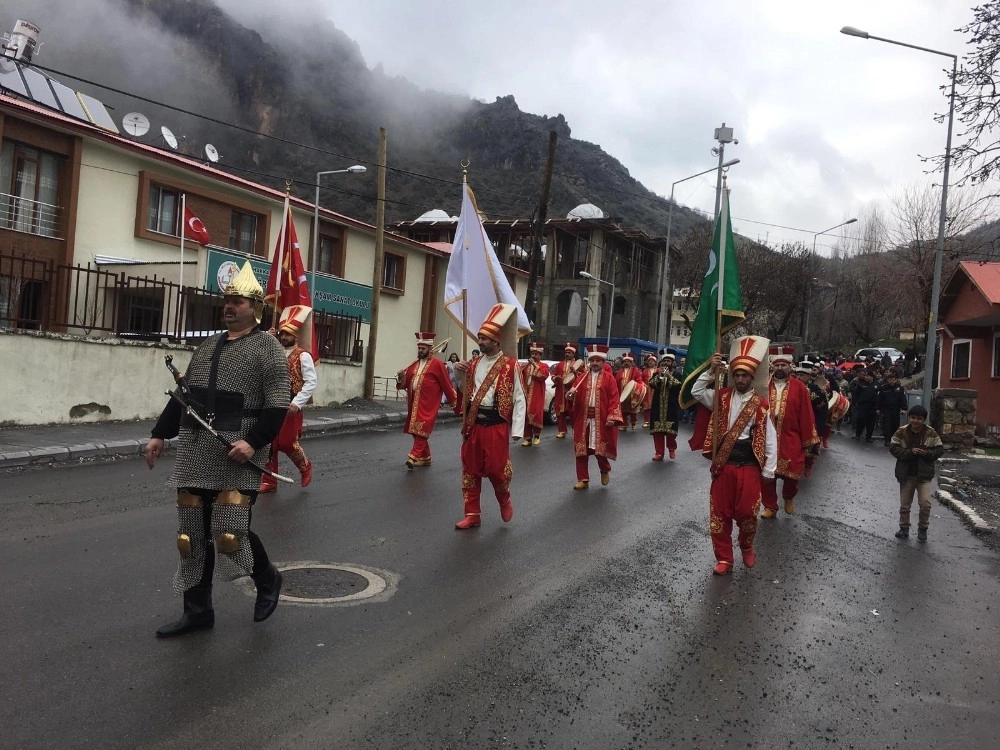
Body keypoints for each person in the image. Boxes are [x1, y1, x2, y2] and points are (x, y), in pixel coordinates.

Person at [144, 262, 288, 637]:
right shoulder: (209, 345)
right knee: (190, 536)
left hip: (237, 452)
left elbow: (277, 404)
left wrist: (253, 442)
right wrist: (160, 434)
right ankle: (197, 612)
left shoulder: (268, 347)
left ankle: (268, 579)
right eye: (226, 300)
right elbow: (184, 398)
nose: (229, 306)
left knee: (228, 533)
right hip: (196, 450)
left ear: (254, 306)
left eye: (237, 301)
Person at [691, 336, 777, 575]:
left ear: (752, 378)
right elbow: (696, 391)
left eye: (745, 376)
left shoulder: (761, 404)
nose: (740, 379)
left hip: (749, 465)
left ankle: (746, 546)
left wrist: (770, 469)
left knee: (748, 512)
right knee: (719, 513)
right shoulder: (720, 397)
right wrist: (711, 371)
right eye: (737, 375)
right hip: (724, 464)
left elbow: (770, 438)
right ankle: (725, 559)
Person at [454, 304, 527, 529]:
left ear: (496, 341)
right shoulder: (473, 364)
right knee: (470, 470)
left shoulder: (511, 365)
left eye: (484, 338)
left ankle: (504, 500)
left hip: (497, 425)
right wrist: (458, 372)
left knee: (497, 470)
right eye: (479, 337)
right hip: (474, 424)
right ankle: (472, 514)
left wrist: (517, 430)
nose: (480, 341)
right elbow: (465, 392)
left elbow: (519, 398)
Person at [259, 304, 317, 493]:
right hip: (271, 402)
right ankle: (269, 480)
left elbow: (311, 382)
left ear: (295, 336)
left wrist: (297, 403)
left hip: (291, 404)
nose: (283, 337)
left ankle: (305, 466)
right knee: (269, 442)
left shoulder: (303, 356)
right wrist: (267, 336)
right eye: (282, 334)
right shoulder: (274, 349)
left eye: (287, 334)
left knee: (285, 443)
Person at [761, 348, 818, 517]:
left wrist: (808, 440)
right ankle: (770, 506)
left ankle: (788, 497)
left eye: (783, 365)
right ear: (772, 366)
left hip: (791, 436)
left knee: (792, 473)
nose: (780, 368)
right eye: (777, 365)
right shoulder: (763, 385)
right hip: (767, 436)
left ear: (790, 367)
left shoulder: (800, 388)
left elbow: (806, 413)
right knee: (767, 474)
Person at [566, 343, 624, 489]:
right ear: (589, 362)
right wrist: (570, 396)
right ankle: (583, 479)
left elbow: (614, 398)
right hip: (583, 418)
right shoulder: (581, 378)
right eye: (592, 361)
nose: (595, 363)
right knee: (581, 449)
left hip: (601, 419)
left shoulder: (609, 379)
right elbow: (572, 395)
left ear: (603, 362)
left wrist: (612, 416)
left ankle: (604, 469)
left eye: (598, 361)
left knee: (599, 449)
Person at [396, 331, 458, 469]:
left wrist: (454, 401)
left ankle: (414, 455)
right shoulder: (415, 364)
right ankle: (426, 457)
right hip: (414, 403)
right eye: (419, 348)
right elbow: (405, 384)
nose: (420, 350)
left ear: (430, 349)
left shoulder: (437, 364)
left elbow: (446, 384)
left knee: (422, 429)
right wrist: (401, 377)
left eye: (423, 348)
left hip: (428, 404)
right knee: (414, 429)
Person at [889, 405, 944, 542]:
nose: (915, 421)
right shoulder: (901, 432)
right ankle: (904, 528)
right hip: (906, 474)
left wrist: (926, 453)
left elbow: (939, 450)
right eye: (913, 418)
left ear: (924, 419)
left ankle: (923, 529)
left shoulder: (931, 433)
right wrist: (910, 452)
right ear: (909, 417)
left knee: (925, 503)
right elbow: (893, 448)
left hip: (924, 475)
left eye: (919, 419)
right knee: (905, 504)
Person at [647, 352, 682, 461]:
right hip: (657, 406)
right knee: (657, 432)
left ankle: (671, 448)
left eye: (668, 361)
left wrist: (669, 376)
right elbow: (651, 384)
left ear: (672, 363)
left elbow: (679, 387)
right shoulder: (656, 374)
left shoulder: (677, 374)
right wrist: (659, 376)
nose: (666, 363)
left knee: (671, 432)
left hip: (671, 406)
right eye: (664, 361)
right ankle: (659, 453)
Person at [549, 343, 583, 438]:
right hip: (560, 390)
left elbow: (583, 376)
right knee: (559, 411)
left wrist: (575, 373)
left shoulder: (579, 364)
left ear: (573, 354)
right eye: (566, 352)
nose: (567, 354)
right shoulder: (560, 365)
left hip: (572, 390)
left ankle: (574, 428)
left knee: (573, 411)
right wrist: (556, 378)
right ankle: (562, 430)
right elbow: (553, 375)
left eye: (569, 352)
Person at [521, 341, 551, 446]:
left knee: (536, 414)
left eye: (536, 354)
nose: (534, 356)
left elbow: (543, 376)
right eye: (532, 354)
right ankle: (528, 438)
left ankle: (537, 436)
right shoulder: (526, 366)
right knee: (525, 416)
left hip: (537, 394)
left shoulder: (544, 366)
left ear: (540, 355)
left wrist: (535, 366)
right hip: (526, 393)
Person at [877, 372, 909, 447]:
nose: (892, 381)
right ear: (887, 380)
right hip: (886, 410)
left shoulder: (899, 388)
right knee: (887, 425)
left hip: (896, 410)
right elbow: (879, 399)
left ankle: (893, 439)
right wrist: (878, 408)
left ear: (895, 380)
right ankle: (887, 439)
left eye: (893, 380)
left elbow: (903, 399)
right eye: (890, 380)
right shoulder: (883, 388)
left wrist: (904, 408)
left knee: (895, 425)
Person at [616, 352, 644, 430]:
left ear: (631, 362)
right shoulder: (620, 372)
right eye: (625, 361)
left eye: (628, 361)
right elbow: (617, 382)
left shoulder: (635, 371)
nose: (626, 363)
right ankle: (624, 425)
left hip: (632, 394)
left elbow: (639, 381)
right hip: (622, 394)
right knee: (623, 411)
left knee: (633, 411)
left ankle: (633, 422)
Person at [850, 369, 880, 442]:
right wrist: (855, 403)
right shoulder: (861, 385)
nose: (867, 377)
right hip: (862, 406)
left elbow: (880, 397)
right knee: (861, 420)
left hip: (872, 406)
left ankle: (868, 437)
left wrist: (878, 407)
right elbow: (856, 395)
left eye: (868, 376)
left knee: (871, 423)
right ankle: (858, 434)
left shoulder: (877, 385)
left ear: (872, 377)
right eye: (866, 376)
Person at [640, 354, 659, 428]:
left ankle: (655, 422)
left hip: (656, 390)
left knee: (656, 407)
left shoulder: (658, 370)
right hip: (647, 391)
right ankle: (646, 421)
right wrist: (643, 384)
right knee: (646, 407)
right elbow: (641, 380)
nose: (650, 362)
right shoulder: (644, 370)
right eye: (649, 361)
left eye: (652, 361)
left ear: (655, 362)